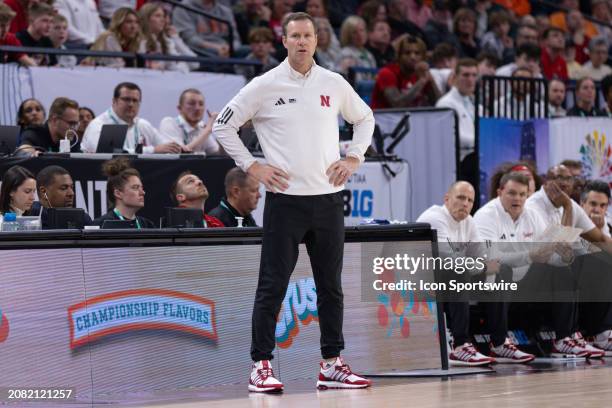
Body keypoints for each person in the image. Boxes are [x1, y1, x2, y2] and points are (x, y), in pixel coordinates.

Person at [212, 12, 374, 392]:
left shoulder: (333, 83)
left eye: (308, 36)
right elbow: (223, 125)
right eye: (295, 36)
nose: (302, 42)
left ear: (317, 41)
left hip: (328, 200)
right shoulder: (264, 85)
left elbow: (364, 118)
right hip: (285, 201)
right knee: (272, 285)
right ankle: (260, 365)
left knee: (330, 286)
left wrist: (354, 158)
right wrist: (253, 167)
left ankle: (331, 363)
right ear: (283, 41)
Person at [474, 172, 592, 358]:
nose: (518, 199)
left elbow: (548, 255)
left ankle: (563, 340)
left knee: (563, 268)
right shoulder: (485, 216)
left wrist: (565, 257)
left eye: (522, 194)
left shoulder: (532, 215)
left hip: (525, 283)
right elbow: (490, 260)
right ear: (500, 192)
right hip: (488, 283)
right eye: (512, 193)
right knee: (501, 268)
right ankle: (498, 344)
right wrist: (530, 256)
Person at [417, 181, 534, 365]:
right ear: (447, 199)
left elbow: (484, 256)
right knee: (459, 270)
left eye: (470, 200)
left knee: (503, 270)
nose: (465, 204)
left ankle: (499, 342)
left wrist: (487, 265)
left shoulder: (468, 221)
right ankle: (460, 345)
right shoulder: (435, 219)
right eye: (461, 198)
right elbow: (450, 259)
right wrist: (483, 265)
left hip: (454, 277)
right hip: (424, 281)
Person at [81, 82, 183, 154]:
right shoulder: (100, 124)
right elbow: (108, 152)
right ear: (114, 101)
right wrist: (152, 150)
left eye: (135, 100)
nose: (131, 104)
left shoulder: (142, 124)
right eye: (126, 99)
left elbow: (164, 145)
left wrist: (176, 148)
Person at [525, 164, 608, 244]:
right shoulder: (531, 208)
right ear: (546, 181)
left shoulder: (571, 203)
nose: (565, 183)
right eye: (559, 178)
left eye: (569, 179)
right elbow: (560, 251)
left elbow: (600, 239)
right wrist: (567, 208)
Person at [370, 35, 441, 109]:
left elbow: (440, 103)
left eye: (417, 53)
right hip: (383, 119)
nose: (412, 57)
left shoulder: (421, 74)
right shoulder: (387, 73)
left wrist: (431, 79)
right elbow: (397, 104)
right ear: (399, 56)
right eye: (407, 53)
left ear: (423, 57)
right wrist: (421, 81)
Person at [93, 157, 156, 229]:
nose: (143, 192)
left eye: (142, 188)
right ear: (118, 193)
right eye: (135, 187)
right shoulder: (101, 225)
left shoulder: (147, 225)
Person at [436, 58, 478, 160]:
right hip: (457, 162)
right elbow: (450, 137)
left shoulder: (476, 103)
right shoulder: (445, 103)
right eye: (466, 75)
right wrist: (481, 141)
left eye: (474, 75)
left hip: (475, 158)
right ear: (455, 77)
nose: (470, 80)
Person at [159, 88, 221, 155]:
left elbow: (217, 154)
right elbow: (180, 154)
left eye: (201, 104)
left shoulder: (201, 127)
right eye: (191, 103)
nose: (197, 108)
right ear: (179, 108)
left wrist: (222, 132)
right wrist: (208, 130)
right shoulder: (169, 123)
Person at [172, 0, 241, 58]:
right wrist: (217, 47)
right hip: (199, 49)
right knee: (214, 54)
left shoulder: (225, 11)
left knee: (247, 51)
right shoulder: (183, 8)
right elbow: (189, 39)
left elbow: (236, 39)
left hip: (226, 48)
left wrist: (230, 48)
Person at [138, 2, 193, 73]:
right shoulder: (139, 40)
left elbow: (194, 64)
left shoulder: (167, 41)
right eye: (157, 16)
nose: (163, 20)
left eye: (163, 16)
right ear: (146, 19)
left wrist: (176, 38)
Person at [16, 97, 81, 156]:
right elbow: (23, 150)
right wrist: (31, 154)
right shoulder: (34, 133)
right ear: (55, 120)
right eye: (71, 123)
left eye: (76, 124)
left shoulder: (73, 139)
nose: (74, 128)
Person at [16, 2, 56, 66]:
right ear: (31, 20)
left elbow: (55, 66)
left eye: (51, 21)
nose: (49, 26)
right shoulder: (18, 40)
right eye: (45, 20)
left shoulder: (47, 41)